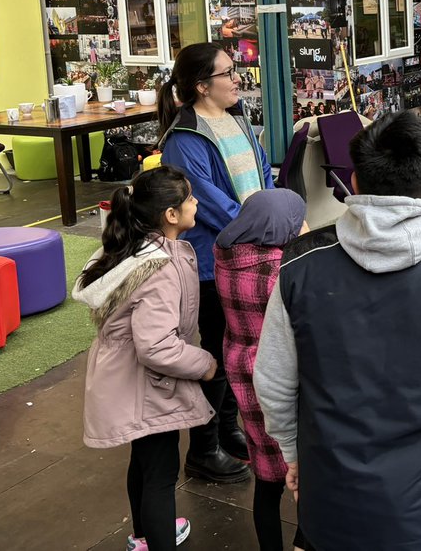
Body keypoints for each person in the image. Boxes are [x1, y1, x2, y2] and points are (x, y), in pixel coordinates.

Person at [253, 111, 421, 551]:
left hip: (329, 503)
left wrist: (293, 453)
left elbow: (272, 382)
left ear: (356, 184)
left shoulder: (298, 267)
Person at [72, 166, 218, 551]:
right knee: (160, 473)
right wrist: (203, 363)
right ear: (171, 215)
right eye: (189, 197)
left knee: (144, 460)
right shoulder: (159, 269)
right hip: (146, 382)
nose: (196, 202)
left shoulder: (133, 246)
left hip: (124, 377)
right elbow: (156, 347)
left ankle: (143, 536)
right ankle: (156, 536)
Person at [159, 42, 274, 484]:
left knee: (234, 350)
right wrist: (262, 226)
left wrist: (266, 212)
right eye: (229, 72)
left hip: (245, 252)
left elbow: (263, 172)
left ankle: (228, 431)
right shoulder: (184, 141)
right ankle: (203, 448)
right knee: (210, 355)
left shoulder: (238, 120)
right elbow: (210, 205)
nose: (238, 78)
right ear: (202, 86)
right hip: (211, 262)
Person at [214, 190, 310, 551]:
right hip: (282, 377)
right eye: (298, 218)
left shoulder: (227, 256)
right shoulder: (280, 271)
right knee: (303, 472)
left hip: (242, 371)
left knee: (267, 478)